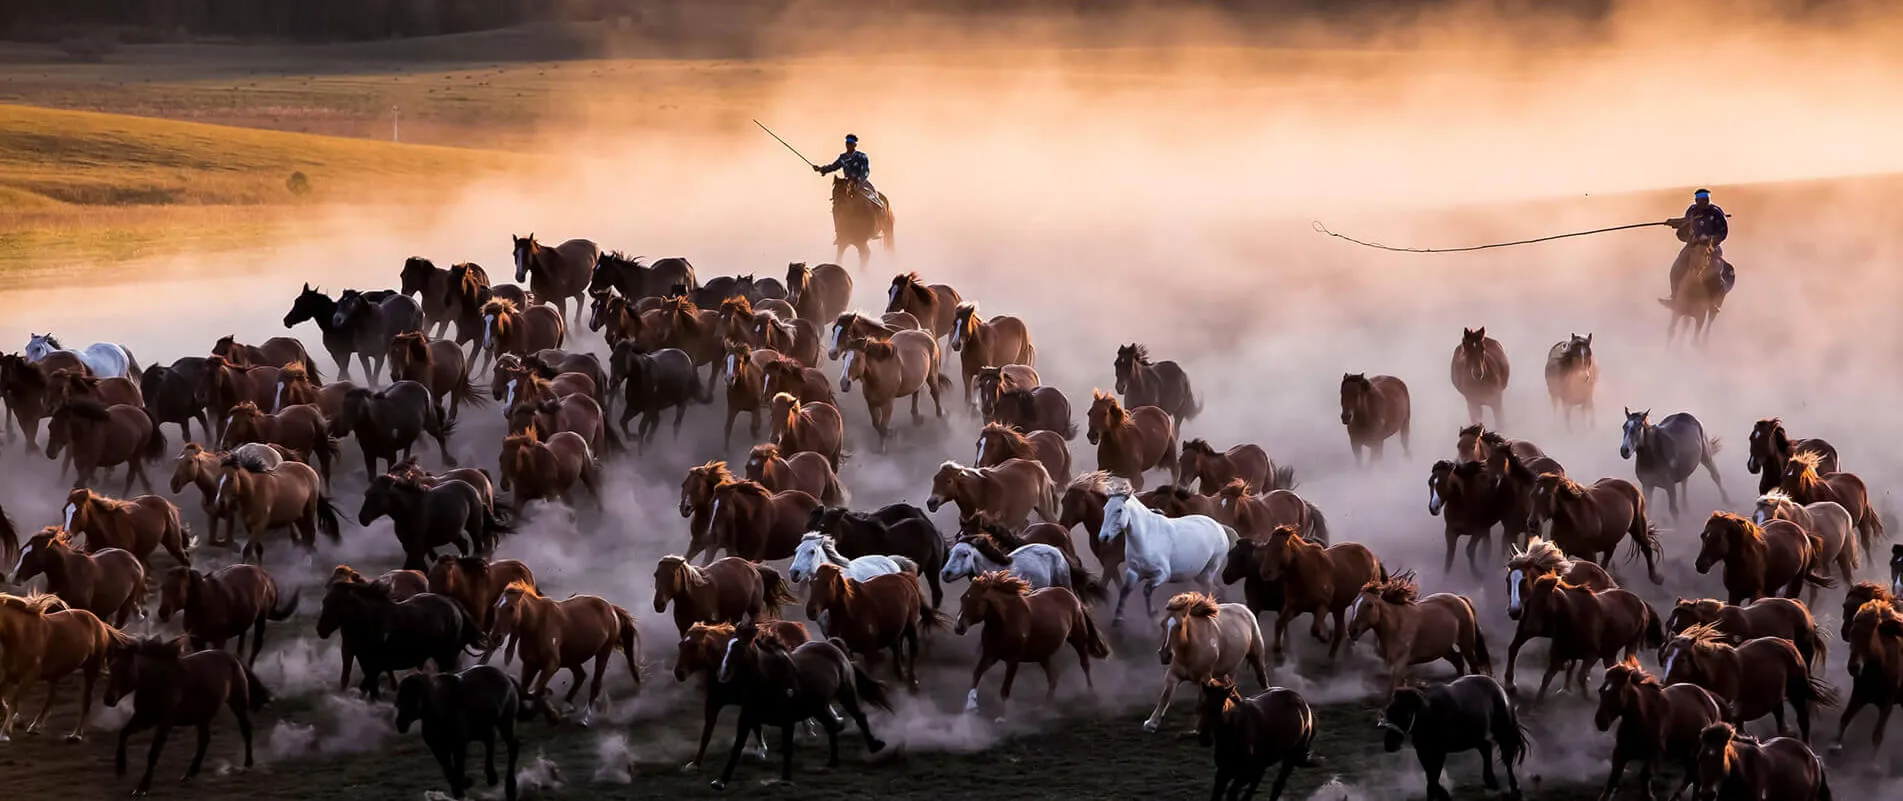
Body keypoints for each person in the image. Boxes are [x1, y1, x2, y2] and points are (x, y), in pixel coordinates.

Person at [1663, 188, 1727, 301]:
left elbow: (1723, 231)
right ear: (1696, 200)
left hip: (1712, 248)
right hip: (1693, 246)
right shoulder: (1692, 211)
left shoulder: (1716, 213)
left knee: (1716, 271)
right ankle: (1674, 296)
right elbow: (1685, 223)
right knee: (1676, 268)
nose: (1703, 201)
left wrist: (1711, 240)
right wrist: (1673, 222)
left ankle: (1715, 301)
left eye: (1706, 199)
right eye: (1701, 199)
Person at [815, 134, 883, 211]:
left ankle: (879, 212)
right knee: (838, 196)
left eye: (850, 143)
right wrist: (821, 169)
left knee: (873, 198)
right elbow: (834, 166)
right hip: (847, 182)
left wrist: (857, 181)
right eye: (847, 143)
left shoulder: (861, 156)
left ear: (855, 145)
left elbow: (865, 171)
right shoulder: (843, 157)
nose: (848, 145)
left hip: (861, 182)